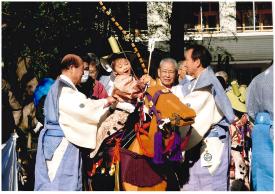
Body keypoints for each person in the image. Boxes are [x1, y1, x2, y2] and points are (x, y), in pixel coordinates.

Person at [34, 54, 116, 191]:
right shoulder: (63, 89)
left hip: (57, 141)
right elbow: (84, 109)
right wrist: (106, 102)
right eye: (81, 70)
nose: (83, 73)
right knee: (59, 184)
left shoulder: (61, 87)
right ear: (72, 68)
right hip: (60, 143)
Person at [173, 44, 235, 191]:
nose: (185, 63)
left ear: (197, 62)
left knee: (209, 187)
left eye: (187, 59)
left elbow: (188, 110)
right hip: (201, 142)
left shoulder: (206, 84)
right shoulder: (199, 81)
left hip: (210, 143)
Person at [246, 65, 273, 191]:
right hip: (265, 126)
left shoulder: (257, 79)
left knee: (263, 180)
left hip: (261, 128)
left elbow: (251, 111)